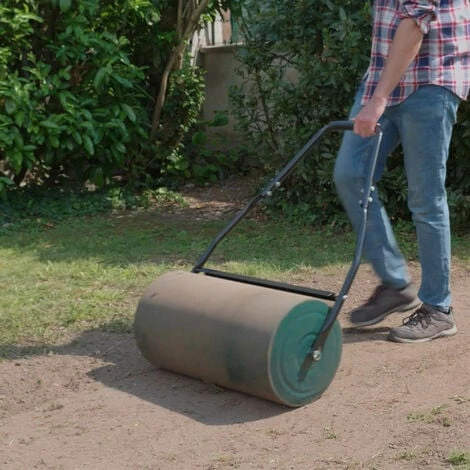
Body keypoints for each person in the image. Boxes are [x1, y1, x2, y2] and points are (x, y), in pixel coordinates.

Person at [333, 0, 470, 343]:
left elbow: (413, 24)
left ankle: (439, 309)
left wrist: (378, 100)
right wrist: (377, 92)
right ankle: (395, 284)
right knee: (350, 174)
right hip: (382, 79)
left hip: (430, 80)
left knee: (425, 197)